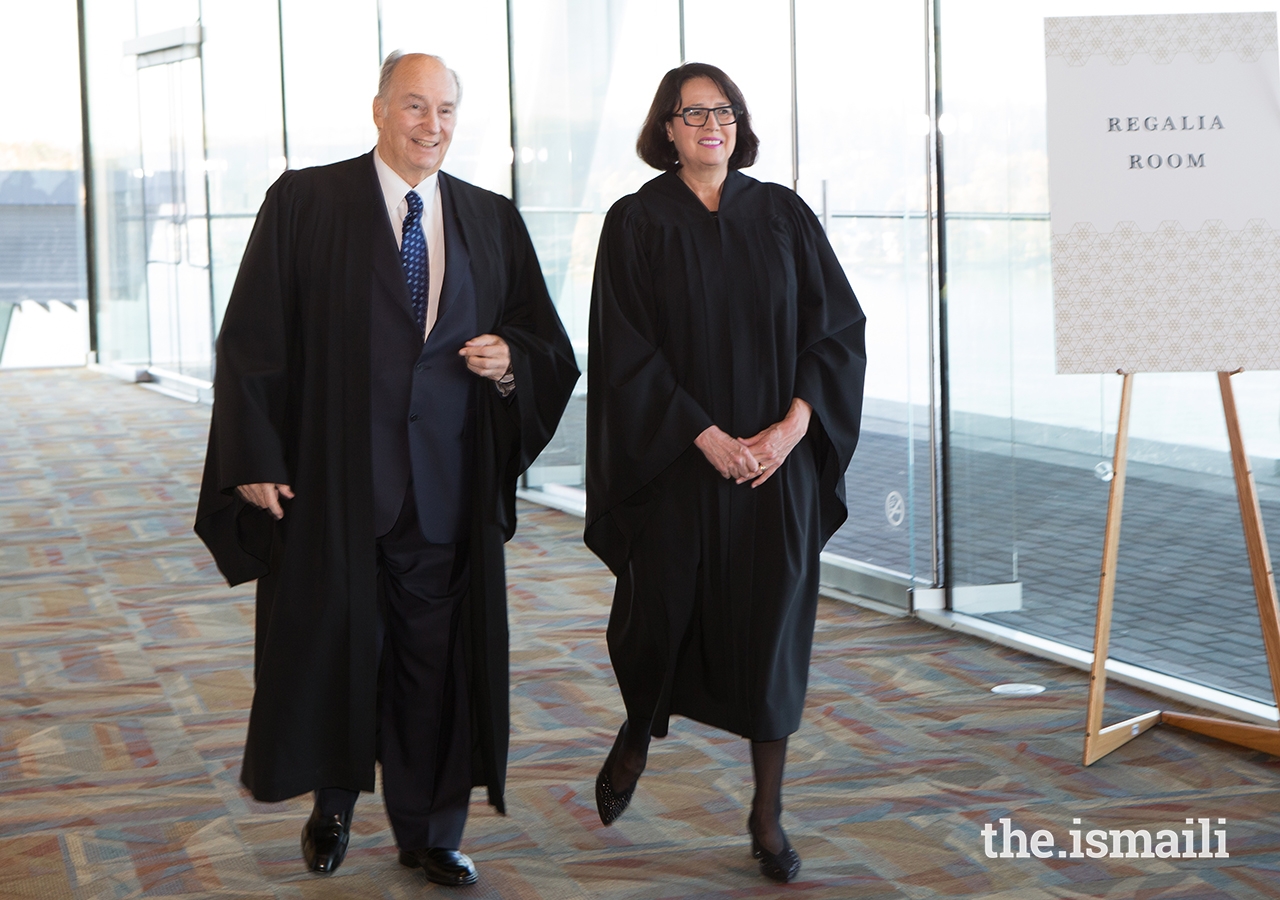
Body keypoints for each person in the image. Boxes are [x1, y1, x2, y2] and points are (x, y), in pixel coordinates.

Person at [194, 52, 578, 887]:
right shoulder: (307, 201)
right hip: (331, 485)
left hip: (443, 488)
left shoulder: (489, 218)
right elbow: (252, 335)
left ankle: (430, 831)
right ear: (378, 110)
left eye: (444, 110)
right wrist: (253, 455)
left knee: (432, 663)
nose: (430, 126)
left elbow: (546, 342)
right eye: (414, 106)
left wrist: (510, 359)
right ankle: (333, 805)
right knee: (337, 648)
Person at [584, 62, 866, 884]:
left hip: (778, 470)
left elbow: (836, 330)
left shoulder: (782, 213)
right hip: (678, 461)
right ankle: (639, 728)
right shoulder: (636, 222)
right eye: (693, 113)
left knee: (773, 629)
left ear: (739, 125)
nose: (712, 124)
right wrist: (704, 437)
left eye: (724, 111)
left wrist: (790, 430)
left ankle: (767, 816)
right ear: (665, 129)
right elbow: (625, 351)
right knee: (658, 610)